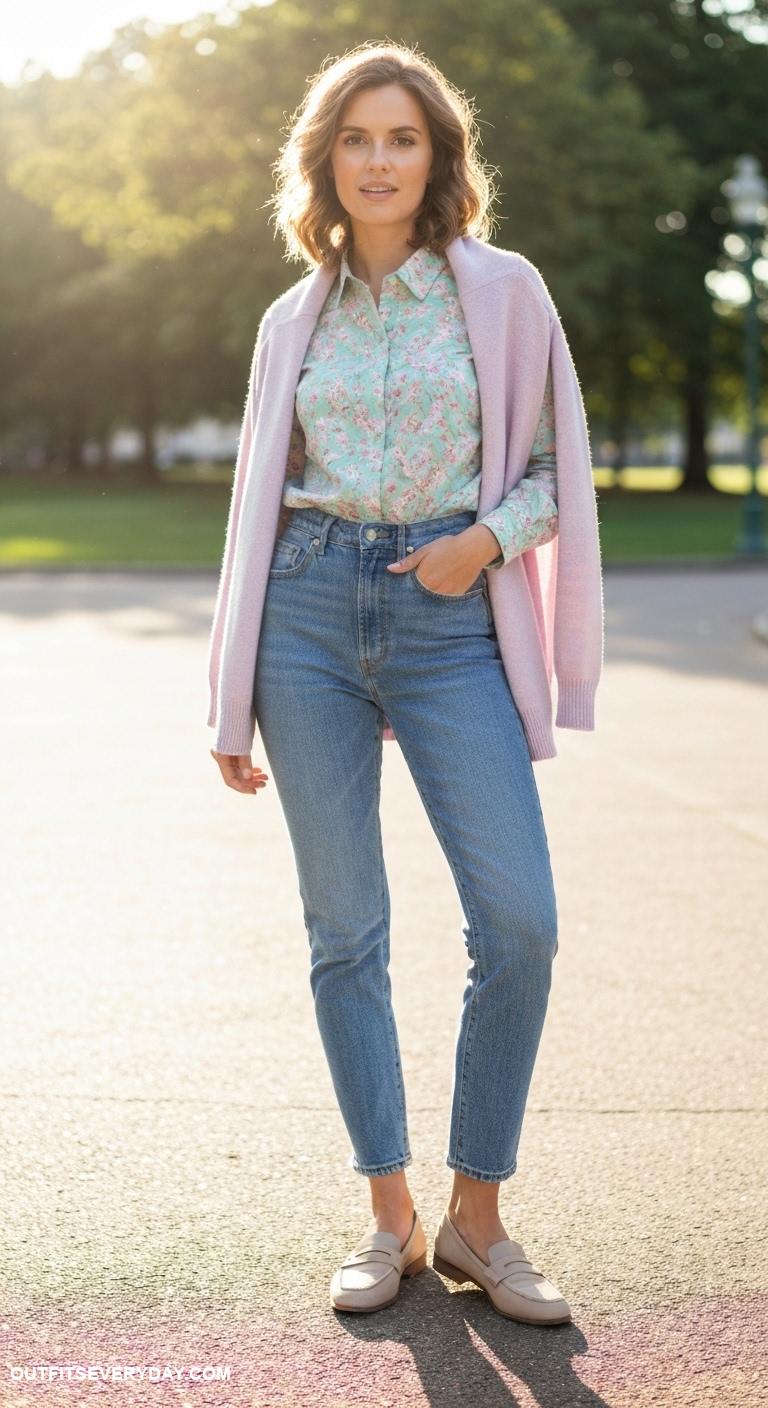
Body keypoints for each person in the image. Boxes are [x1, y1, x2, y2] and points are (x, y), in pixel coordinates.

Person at [209, 41, 603, 1324]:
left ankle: (478, 1219)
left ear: (439, 159)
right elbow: (253, 510)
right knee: (347, 933)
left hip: (449, 619)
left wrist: (483, 542)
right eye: (357, 139)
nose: (380, 160)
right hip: (308, 619)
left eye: (405, 139)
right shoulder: (292, 318)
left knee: (521, 920)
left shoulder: (502, 292)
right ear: (326, 160)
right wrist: (230, 696)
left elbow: (556, 467)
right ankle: (390, 1213)